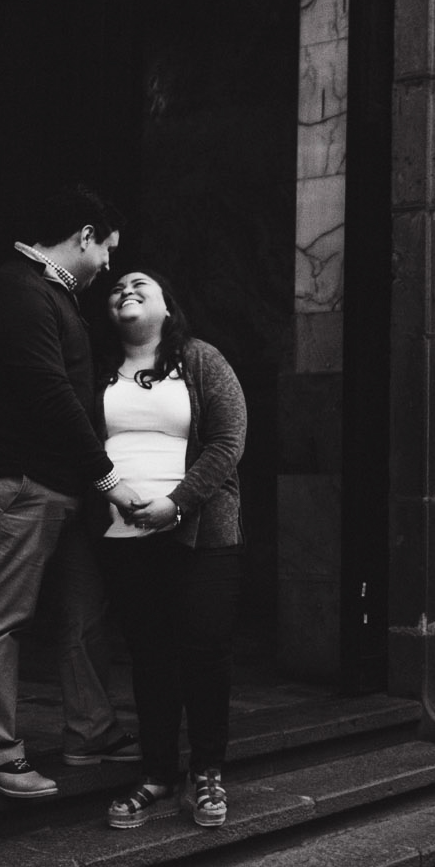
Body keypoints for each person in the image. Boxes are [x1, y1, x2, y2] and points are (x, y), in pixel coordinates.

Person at [0, 184, 144, 799]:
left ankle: (89, 731)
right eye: (106, 248)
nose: (108, 264)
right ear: (84, 235)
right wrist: (108, 478)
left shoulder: (46, 295)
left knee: (84, 612)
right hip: (17, 483)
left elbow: (17, 380)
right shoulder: (20, 288)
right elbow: (49, 393)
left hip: (51, 486)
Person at [96, 270, 248, 831]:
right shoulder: (97, 369)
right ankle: (157, 774)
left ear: (167, 306)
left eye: (142, 285)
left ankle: (206, 771)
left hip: (202, 535)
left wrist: (177, 504)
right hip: (124, 537)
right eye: (117, 289)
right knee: (150, 656)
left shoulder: (200, 359)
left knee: (205, 653)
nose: (126, 290)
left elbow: (229, 441)